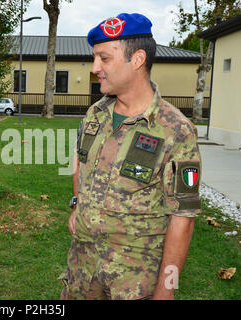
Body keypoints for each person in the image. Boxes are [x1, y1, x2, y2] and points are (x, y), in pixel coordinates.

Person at [59, 13, 201, 300]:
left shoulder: (177, 130)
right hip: (82, 269)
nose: (95, 67)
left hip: (133, 281)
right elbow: (80, 161)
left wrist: (167, 288)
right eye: (94, 58)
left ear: (137, 60)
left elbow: (183, 217)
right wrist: (77, 203)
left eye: (104, 59)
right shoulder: (95, 114)